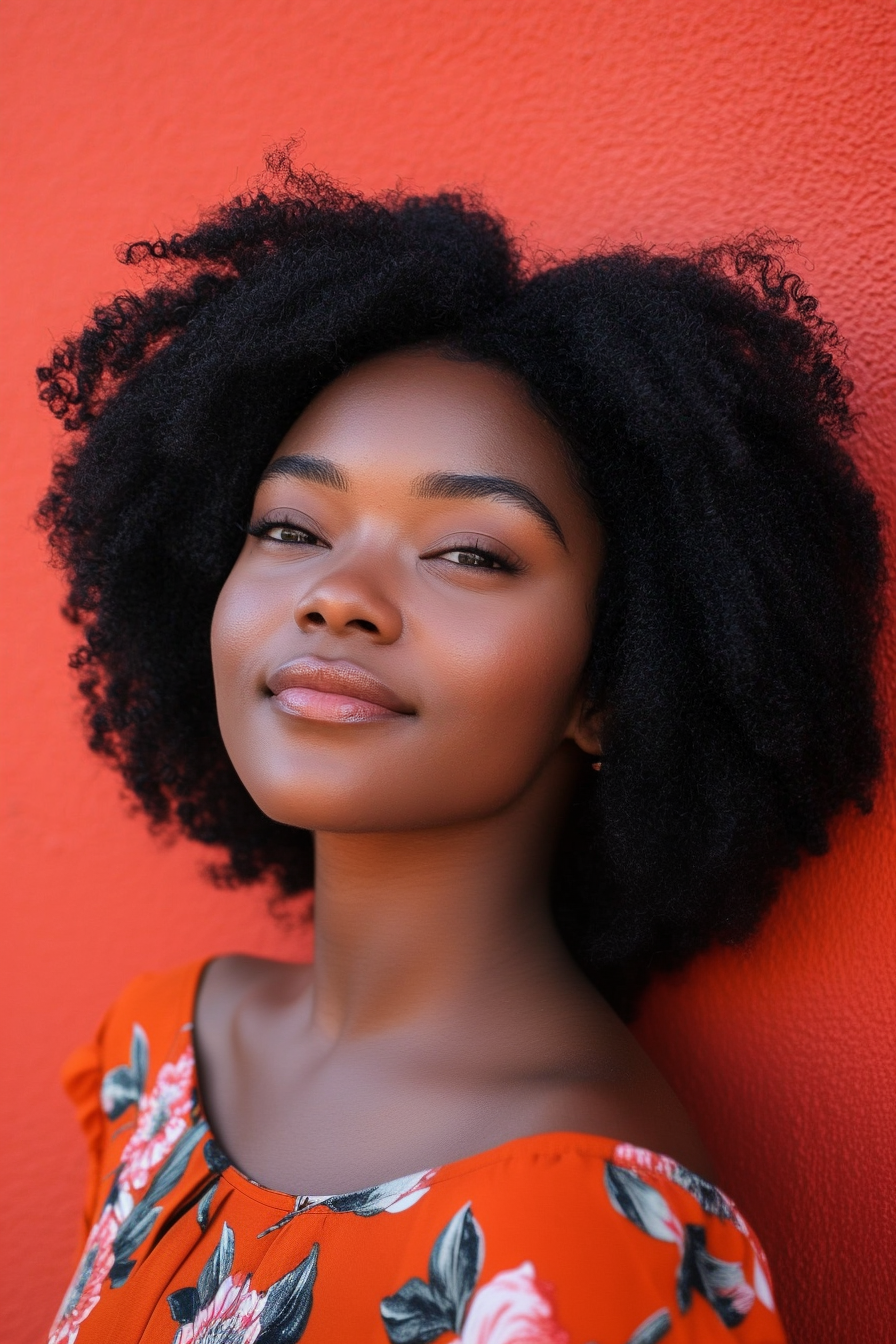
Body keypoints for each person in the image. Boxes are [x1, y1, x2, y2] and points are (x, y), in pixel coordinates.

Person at [38, 154, 884, 1344]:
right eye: (290, 526)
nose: (337, 597)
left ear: (608, 683)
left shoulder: (584, 1224)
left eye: (470, 553)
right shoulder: (159, 1058)